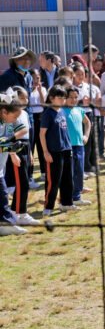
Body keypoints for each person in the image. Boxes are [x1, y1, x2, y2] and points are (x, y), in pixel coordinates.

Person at [39, 86, 78, 217]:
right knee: (53, 181)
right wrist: (45, 152)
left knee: (68, 179)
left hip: (66, 149)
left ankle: (66, 203)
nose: (62, 100)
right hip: (54, 152)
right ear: (51, 98)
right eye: (59, 97)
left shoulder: (62, 111)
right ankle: (48, 206)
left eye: (64, 97)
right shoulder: (48, 113)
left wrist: (69, 147)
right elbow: (42, 134)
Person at [4, 87, 39, 225]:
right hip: (15, 147)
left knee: (25, 182)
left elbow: (27, 134)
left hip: (25, 146)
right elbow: (9, 135)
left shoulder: (23, 113)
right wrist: (13, 153)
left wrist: (29, 152)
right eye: (22, 97)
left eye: (26, 97)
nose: (26, 100)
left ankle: (17, 211)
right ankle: (19, 213)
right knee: (21, 183)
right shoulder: (11, 114)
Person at [0, 89, 28, 235]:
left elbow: (23, 129)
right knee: (3, 195)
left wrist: (10, 145)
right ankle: (8, 224)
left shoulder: (8, 121)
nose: (17, 119)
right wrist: (9, 146)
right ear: (4, 112)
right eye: (15, 116)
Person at [64, 86, 92, 206]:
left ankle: (77, 197)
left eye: (75, 97)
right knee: (68, 173)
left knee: (79, 172)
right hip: (67, 147)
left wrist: (86, 135)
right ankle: (66, 199)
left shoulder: (80, 110)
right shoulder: (61, 111)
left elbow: (87, 122)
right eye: (70, 97)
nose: (73, 100)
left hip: (79, 146)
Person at [28, 69, 46, 186]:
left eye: (38, 78)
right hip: (30, 117)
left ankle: (44, 172)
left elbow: (44, 104)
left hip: (40, 117)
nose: (36, 80)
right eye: (33, 78)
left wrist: (39, 91)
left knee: (41, 145)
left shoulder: (43, 89)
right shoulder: (27, 90)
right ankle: (30, 176)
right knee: (31, 147)